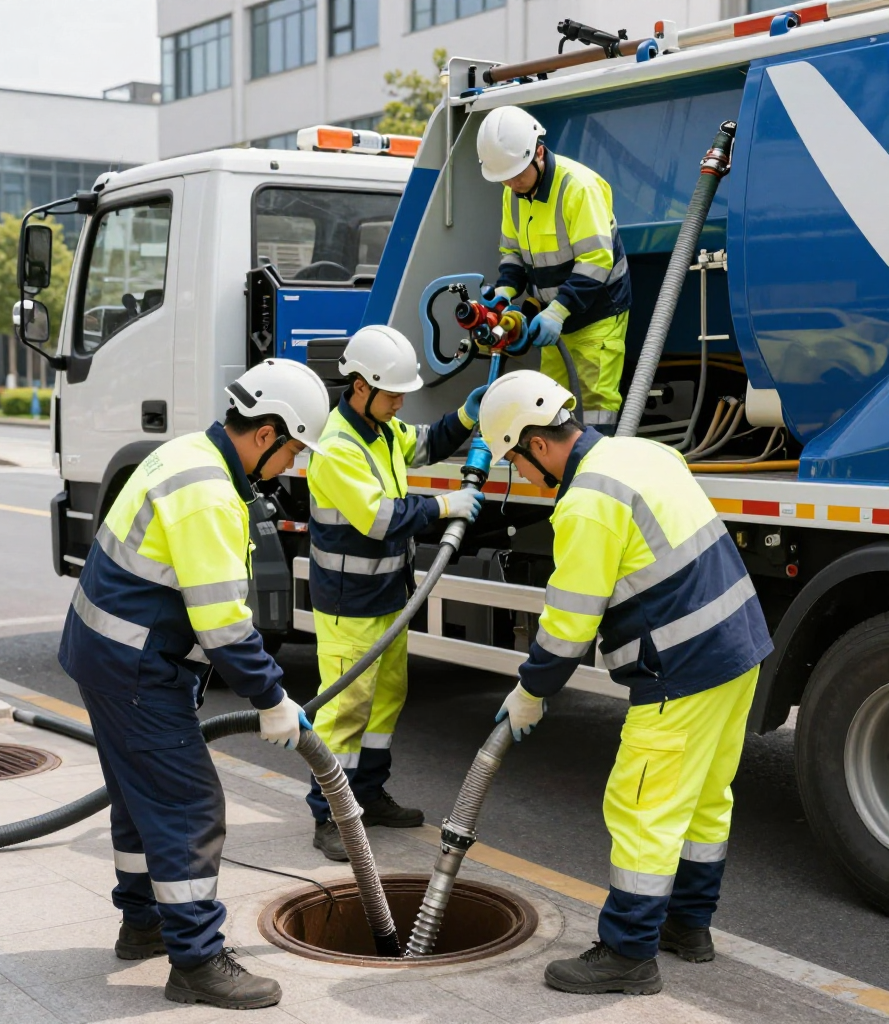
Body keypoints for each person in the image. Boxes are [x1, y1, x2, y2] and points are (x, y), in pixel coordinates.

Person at [479, 370, 773, 995]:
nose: (527, 478)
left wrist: (531, 691)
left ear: (536, 443)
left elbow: (568, 625)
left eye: (518, 462)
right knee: (702, 798)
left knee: (642, 805)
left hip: (683, 668)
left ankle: (627, 953)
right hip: (739, 647)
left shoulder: (588, 500)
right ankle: (688, 928)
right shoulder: (644, 452)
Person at [57, 359, 331, 1010]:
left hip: (109, 653)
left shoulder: (184, 453)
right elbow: (223, 624)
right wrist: (272, 698)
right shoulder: (209, 490)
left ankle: (144, 923)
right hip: (133, 666)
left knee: (138, 798)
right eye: (293, 449)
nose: (292, 465)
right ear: (266, 434)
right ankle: (198, 960)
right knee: (187, 807)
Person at [306, 325, 487, 860]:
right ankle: (329, 817)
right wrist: (445, 506)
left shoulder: (381, 430)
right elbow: (381, 518)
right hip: (348, 604)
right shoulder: (338, 445)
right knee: (343, 713)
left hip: (387, 595)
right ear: (360, 386)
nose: (400, 401)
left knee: (385, 700)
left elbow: (425, 443)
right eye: (392, 393)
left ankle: (366, 795)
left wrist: (467, 417)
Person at [476, 105, 632, 432]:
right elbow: (513, 253)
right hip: (554, 319)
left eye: (518, 174)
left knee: (594, 405)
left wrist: (559, 311)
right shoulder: (514, 193)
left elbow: (596, 261)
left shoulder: (579, 188)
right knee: (551, 402)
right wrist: (505, 290)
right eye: (505, 178)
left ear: (540, 153)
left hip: (596, 316)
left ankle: (598, 468)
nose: (513, 184)